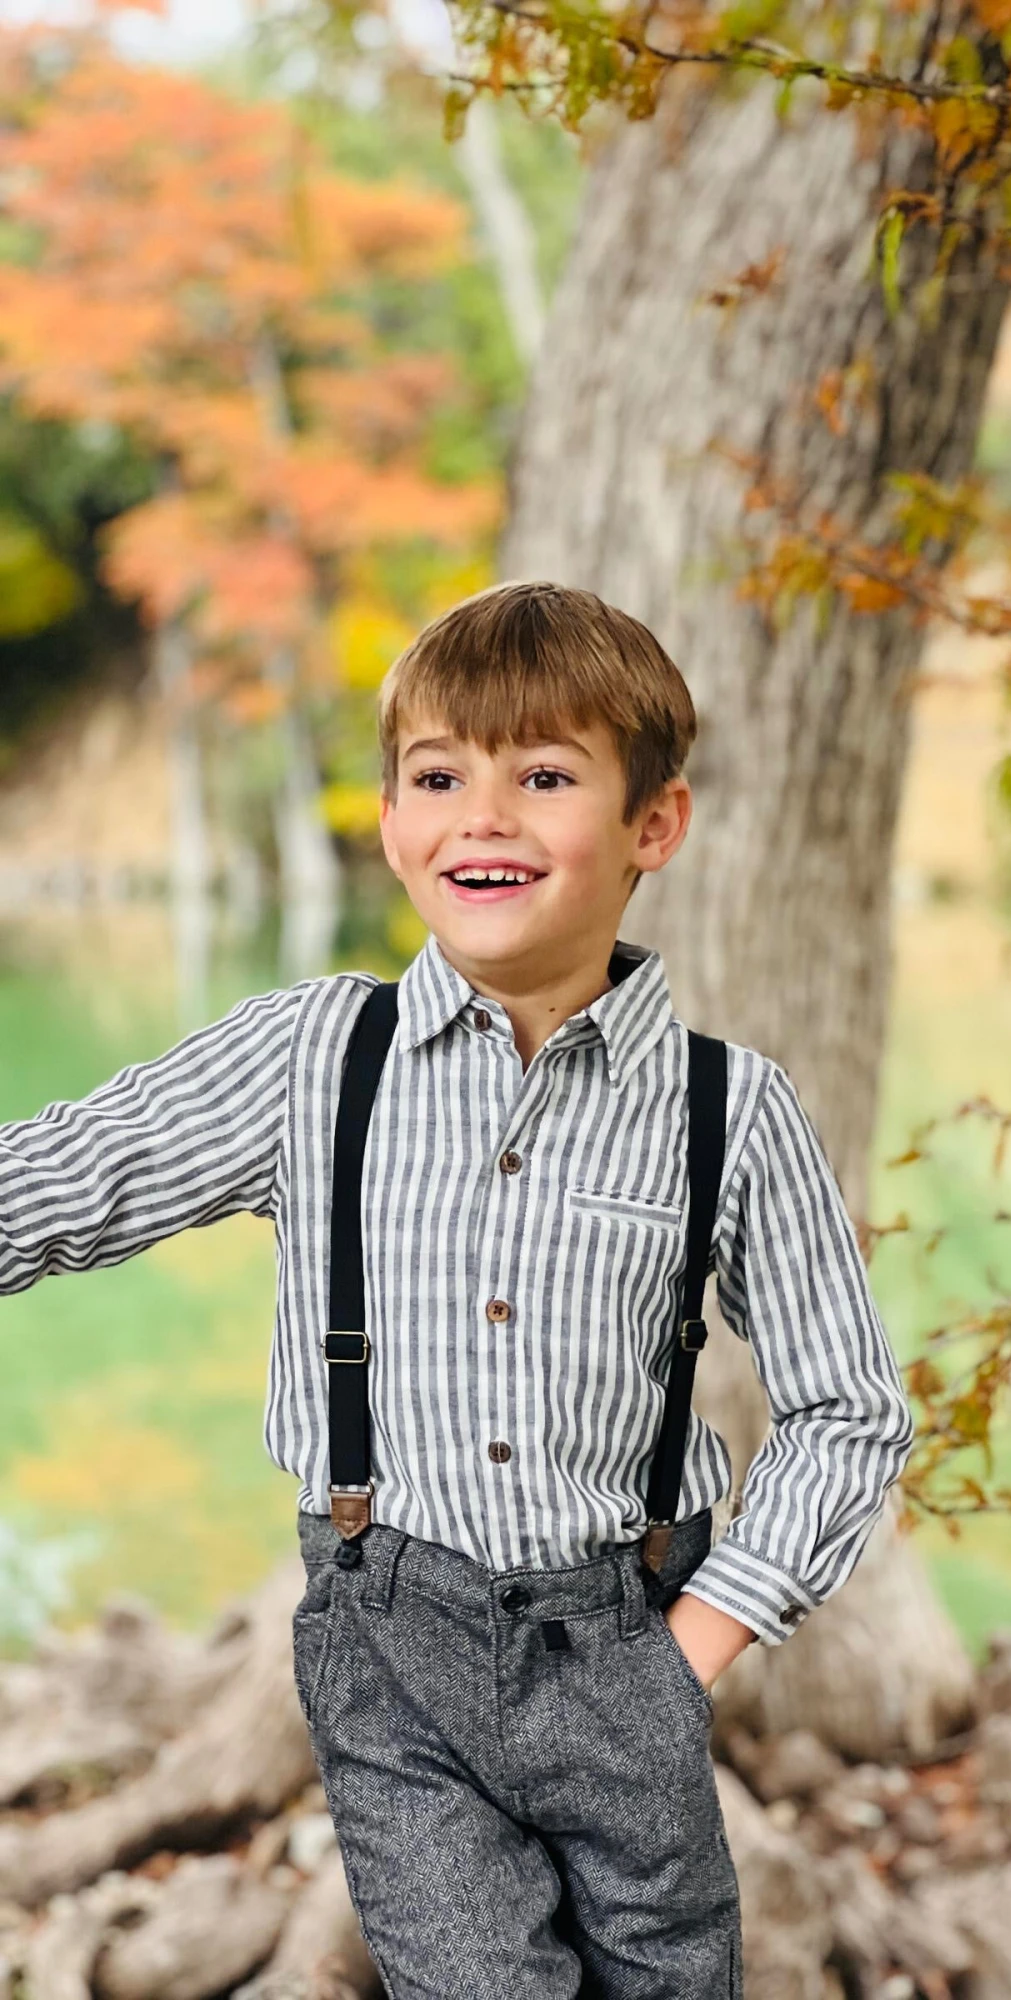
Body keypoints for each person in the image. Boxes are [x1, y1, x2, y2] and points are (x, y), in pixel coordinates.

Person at [0, 579, 915, 1996]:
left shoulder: (728, 1110)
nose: (482, 818)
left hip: (628, 1638)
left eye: (543, 777)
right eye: (439, 778)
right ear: (390, 821)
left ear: (653, 823)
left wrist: (692, 1649)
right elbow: (63, 1180)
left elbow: (848, 1409)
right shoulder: (314, 1059)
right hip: (389, 1653)